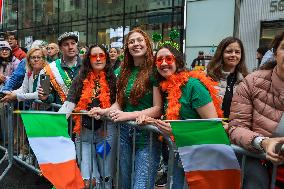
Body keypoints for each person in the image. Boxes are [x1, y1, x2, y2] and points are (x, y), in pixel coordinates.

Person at [137, 44, 222, 188]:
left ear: (178, 61)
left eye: (168, 59)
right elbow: (173, 119)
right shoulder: (167, 88)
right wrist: (151, 121)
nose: (163, 63)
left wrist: (177, 130)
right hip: (179, 154)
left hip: (199, 158)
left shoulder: (193, 86)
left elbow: (214, 127)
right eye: (159, 60)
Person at [89, 28, 162, 189]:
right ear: (127, 47)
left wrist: (127, 116)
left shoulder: (154, 70)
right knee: (124, 183)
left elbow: (158, 108)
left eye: (140, 40)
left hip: (147, 136)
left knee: (140, 185)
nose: (136, 44)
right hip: (124, 135)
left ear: (147, 44)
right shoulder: (124, 71)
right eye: (131, 41)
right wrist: (105, 111)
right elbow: (119, 104)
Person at [228, 32, 284, 189]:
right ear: (275, 53)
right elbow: (236, 127)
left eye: (237, 51)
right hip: (259, 161)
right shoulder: (252, 82)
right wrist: (263, 142)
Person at [59, 44, 117, 189]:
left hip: (106, 134)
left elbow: (119, 104)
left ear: (106, 58)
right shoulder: (80, 78)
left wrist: (105, 111)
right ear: (88, 59)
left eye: (101, 55)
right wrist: (54, 122)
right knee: (88, 176)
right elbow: (69, 102)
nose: (98, 59)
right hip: (84, 134)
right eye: (94, 56)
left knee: (106, 173)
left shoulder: (113, 79)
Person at [207, 36, 249, 118]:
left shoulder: (247, 80)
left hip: (235, 127)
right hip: (213, 127)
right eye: (229, 51)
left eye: (237, 52)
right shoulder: (207, 76)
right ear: (221, 54)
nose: (233, 55)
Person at [38, 32, 81, 105]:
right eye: (66, 44)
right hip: (62, 114)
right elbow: (49, 97)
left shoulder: (88, 66)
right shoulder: (47, 70)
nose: (70, 47)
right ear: (60, 48)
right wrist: (46, 97)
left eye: (73, 43)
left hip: (85, 114)